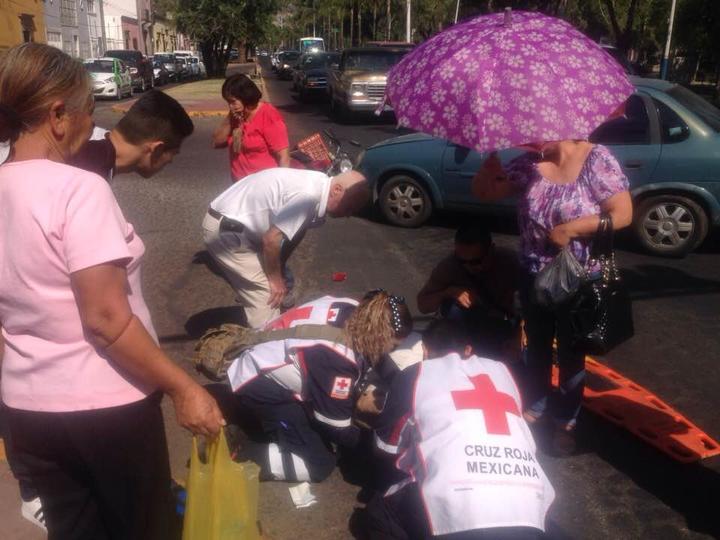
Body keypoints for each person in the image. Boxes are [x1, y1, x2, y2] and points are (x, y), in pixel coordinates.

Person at [0, 43, 224, 539]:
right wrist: (183, 387)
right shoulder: (78, 190)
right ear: (58, 115)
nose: (91, 125)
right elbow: (105, 318)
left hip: (28, 411)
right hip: (104, 409)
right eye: (87, 111)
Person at [472, 141, 632, 454]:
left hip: (579, 278)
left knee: (572, 354)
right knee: (537, 346)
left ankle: (565, 421)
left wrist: (572, 229)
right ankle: (537, 406)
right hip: (533, 274)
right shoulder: (529, 163)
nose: (530, 135)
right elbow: (486, 194)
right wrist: (487, 173)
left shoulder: (596, 159)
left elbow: (623, 214)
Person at [365, 319, 555, 539]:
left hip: (459, 513)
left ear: (425, 350)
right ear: (468, 349)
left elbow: (386, 448)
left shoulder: (417, 374)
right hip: (532, 510)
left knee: (378, 513)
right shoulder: (503, 371)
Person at [208, 290, 412, 483]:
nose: (392, 351)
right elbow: (337, 429)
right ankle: (237, 452)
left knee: (342, 405)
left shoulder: (355, 309)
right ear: (378, 337)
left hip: (263, 355)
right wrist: (379, 444)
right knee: (318, 464)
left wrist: (403, 383)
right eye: (393, 346)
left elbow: (380, 361)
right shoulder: (337, 360)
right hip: (257, 384)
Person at [202, 167, 371, 329]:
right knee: (268, 297)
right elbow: (271, 240)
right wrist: (275, 281)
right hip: (227, 232)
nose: (348, 214)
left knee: (283, 282)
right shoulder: (309, 196)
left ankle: (274, 320)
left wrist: (280, 267)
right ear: (337, 190)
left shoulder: (321, 184)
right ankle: (263, 349)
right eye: (349, 207)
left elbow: (296, 231)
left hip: (240, 227)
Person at [417, 225, 520, 359]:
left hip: (503, 323)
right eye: (462, 261)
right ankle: (454, 355)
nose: (469, 267)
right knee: (452, 308)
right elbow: (423, 305)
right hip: (467, 324)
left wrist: (517, 338)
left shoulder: (511, 262)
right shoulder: (449, 266)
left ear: (491, 250)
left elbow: (530, 308)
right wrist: (448, 292)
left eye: (476, 261)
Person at [69, 89, 194, 181]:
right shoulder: (91, 181)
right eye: (174, 153)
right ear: (157, 149)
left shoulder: (90, 156)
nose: (171, 161)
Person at [212, 73, 290, 182]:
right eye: (228, 102)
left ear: (246, 97)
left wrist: (282, 187)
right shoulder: (236, 116)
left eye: (233, 101)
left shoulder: (268, 114)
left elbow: (283, 157)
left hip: (264, 185)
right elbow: (217, 142)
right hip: (240, 185)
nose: (230, 106)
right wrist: (230, 118)